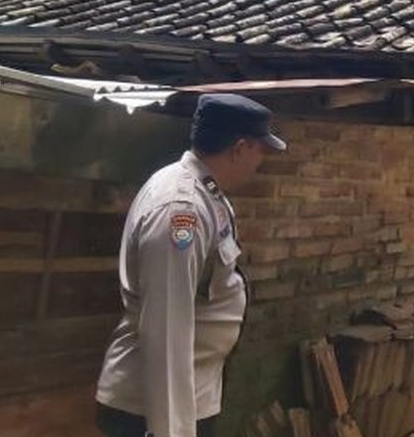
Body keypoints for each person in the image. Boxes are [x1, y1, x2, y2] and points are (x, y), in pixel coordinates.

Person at [95, 94, 287, 437]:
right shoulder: (181, 210)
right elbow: (165, 330)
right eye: (261, 149)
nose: (262, 160)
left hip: (191, 396)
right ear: (240, 147)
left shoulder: (207, 196)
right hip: (150, 410)